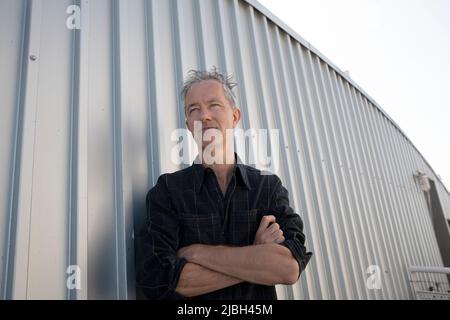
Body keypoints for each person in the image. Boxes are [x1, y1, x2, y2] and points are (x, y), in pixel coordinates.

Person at [135, 68, 312, 299]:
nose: (204, 116)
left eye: (214, 105)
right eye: (194, 109)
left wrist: (197, 253)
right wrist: (257, 256)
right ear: (188, 125)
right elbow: (160, 280)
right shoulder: (168, 191)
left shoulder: (267, 188)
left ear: (235, 116)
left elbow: (289, 268)